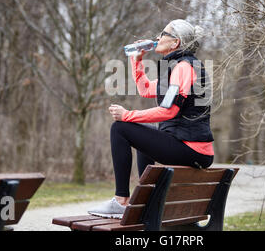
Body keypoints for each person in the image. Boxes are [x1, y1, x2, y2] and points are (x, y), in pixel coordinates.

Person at [88, 19, 214, 219]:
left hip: (191, 149)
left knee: (120, 128)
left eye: (163, 33)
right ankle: (144, 200)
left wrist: (127, 115)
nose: (157, 37)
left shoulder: (184, 68)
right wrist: (136, 60)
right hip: (192, 148)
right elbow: (145, 89)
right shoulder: (181, 66)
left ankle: (121, 201)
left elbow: (169, 111)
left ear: (176, 43)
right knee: (142, 132)